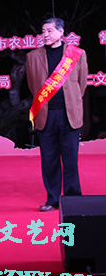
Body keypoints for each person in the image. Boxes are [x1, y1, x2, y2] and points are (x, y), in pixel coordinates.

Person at [26, 17, 87, 212]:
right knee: (49, 159)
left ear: (61, 32)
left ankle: (73, 198)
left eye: (50, 30)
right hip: (46, 114)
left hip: (70, 114)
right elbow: (32, 85)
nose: (45, 34)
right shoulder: (33, 56)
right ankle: (52, 199)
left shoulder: (77, 54)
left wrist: (71, 101)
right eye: (43, 31)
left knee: (70, 158)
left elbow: (81, 84)